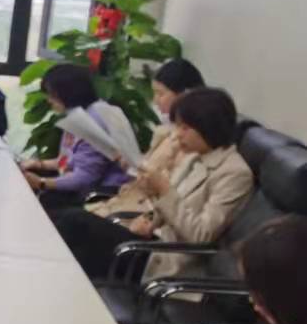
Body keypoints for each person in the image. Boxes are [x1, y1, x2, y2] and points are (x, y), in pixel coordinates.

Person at [51, 87, 250, 280]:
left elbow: (200, 234)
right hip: (150, 241)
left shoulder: (234, 173)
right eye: (177, 126)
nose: (177, 134)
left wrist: (163, 189)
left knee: (74, 223)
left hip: (168, 259)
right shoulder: (195, 156)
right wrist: (150, 211)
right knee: (66, 222)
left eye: (185, 128)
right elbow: (169, 207)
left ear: (209, 127)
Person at [82, 56, 205, 224]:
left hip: (142, 214)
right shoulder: (167, 131)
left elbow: (165, 184)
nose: (155, 100)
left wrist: (139, 169)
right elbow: (149, 167)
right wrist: (130, 162)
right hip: (129, 201)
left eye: (161, 94)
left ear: (185, 95)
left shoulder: (190, 142)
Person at [20, 64, 133, 208]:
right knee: (30, 173)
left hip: (104, 191)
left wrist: (41, 183)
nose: (49, 100)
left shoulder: (92, 122)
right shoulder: (83, 113)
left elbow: (85, 177)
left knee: (47, 199)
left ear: (67, 93)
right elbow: (68, 160)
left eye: (52, 95)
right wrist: (39, 164)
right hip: (87, 182)